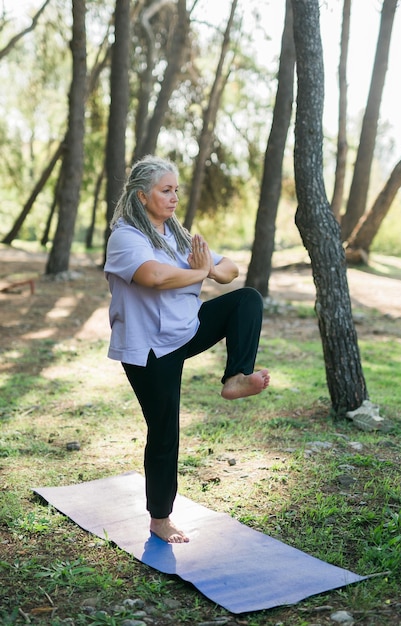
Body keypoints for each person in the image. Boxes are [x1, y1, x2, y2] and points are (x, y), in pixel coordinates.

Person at [104, 155, 270, 544]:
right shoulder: (127, 236)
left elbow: (230, 270)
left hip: (186, 330)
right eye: (166, 190)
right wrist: (199, 271)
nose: (174, 196)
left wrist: (208, 268)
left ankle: (235, 377)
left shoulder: (178, 234)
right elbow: (154, 277)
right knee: (164, 431)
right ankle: (160, 519)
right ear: (142, 196)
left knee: (246, 300)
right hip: (148, 349)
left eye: (176, 189)